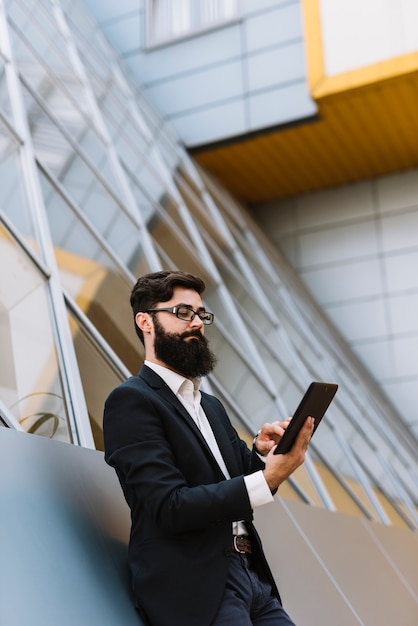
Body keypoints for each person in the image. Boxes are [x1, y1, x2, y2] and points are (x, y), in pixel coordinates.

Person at [103, 270, 314, 626]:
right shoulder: (131, 402)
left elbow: (235, 485)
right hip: (195, 585)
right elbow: (169, 506)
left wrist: (262, 456)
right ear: (145, 322)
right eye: (183, 313)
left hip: (251, 576)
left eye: (201, 314)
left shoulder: (210, 406)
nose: (197, 323)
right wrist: (268, 479)